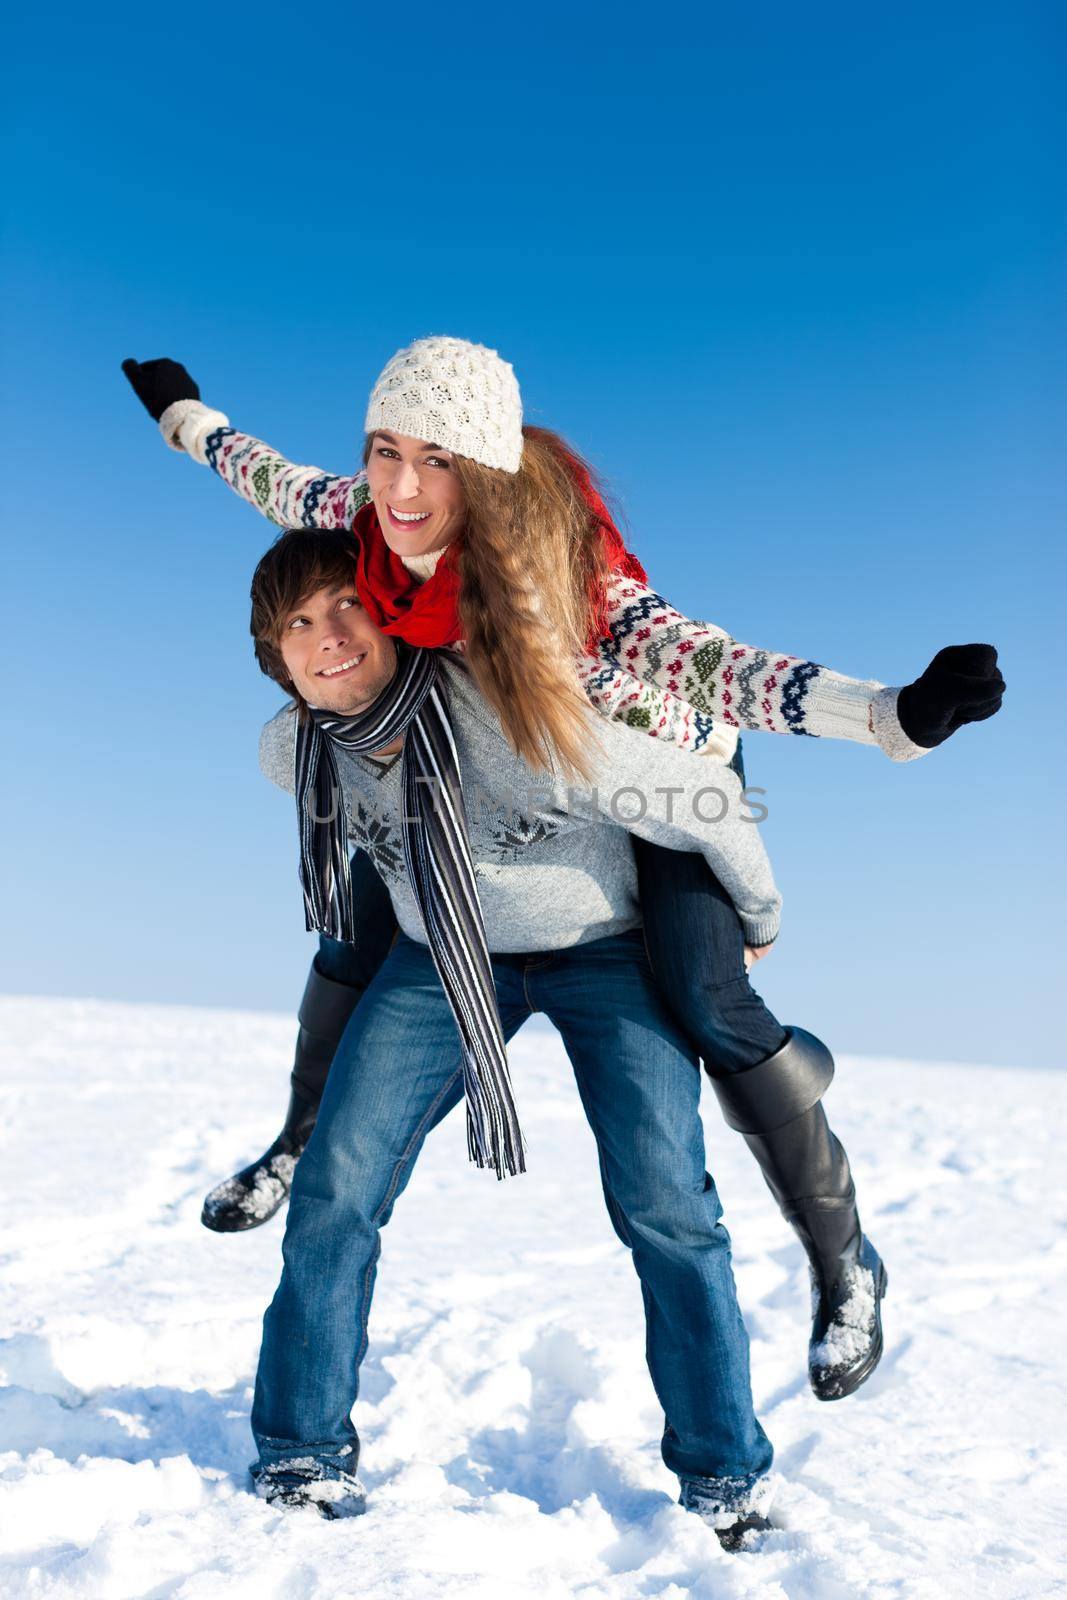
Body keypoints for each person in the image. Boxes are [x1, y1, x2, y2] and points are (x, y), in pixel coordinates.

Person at [121, 338, 1005, 1403]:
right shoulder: (361, 517)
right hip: (490, 778)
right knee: (372, 895)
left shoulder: (567, 588)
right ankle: (303, 1145)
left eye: (435, 459)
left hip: (658, 780)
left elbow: (714, 668)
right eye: (383, 451)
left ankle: (843, 1263)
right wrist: (184, 415)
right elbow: (264, 474)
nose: (402, 487)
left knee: (705, 996)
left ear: (483, 469)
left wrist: (883, 715)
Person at [245, 523, 793, 1542]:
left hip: (604, 949)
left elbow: (700, 797)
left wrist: (753, 914)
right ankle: (298, 1450)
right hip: (439, 962)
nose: (327, 637)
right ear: (274, 657)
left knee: (665, 1200)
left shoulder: (503, 711)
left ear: (391, 614)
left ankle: (723, 1471)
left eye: (346, 606)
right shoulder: (293, 754)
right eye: (296, 626)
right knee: (336, 1183)